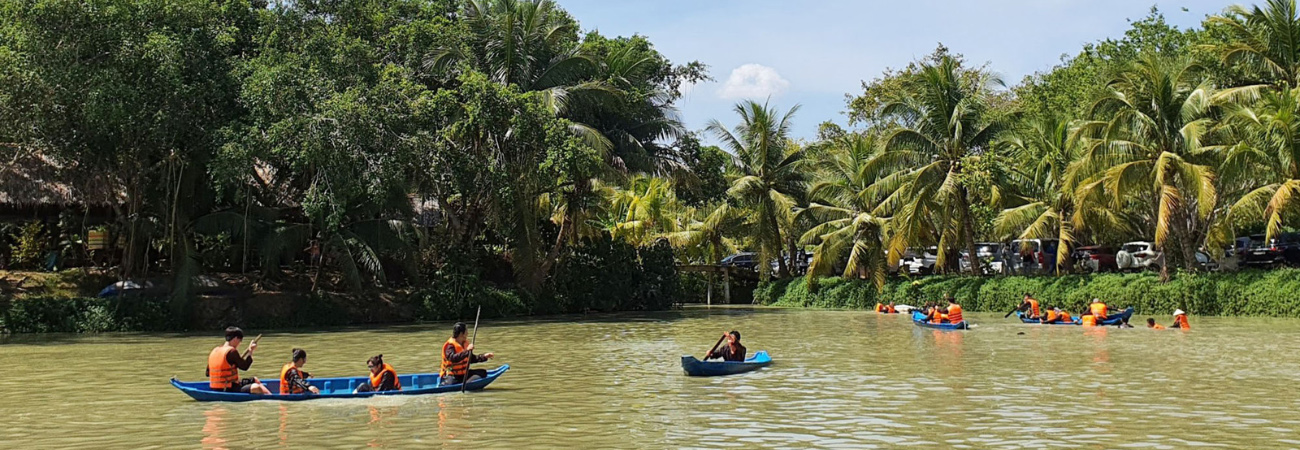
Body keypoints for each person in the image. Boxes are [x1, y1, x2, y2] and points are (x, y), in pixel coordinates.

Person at [206, 326, 270, 394]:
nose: (239, 343)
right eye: (240, 340)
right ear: (236, 338)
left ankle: (270, 396)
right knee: (256, 387)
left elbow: (207, 373)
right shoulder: (232, 352)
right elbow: (245, 367)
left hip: (216, 387)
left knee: (255, 380)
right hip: (227, 389)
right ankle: (271, 398)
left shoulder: (214, 350)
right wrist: (250, 351)